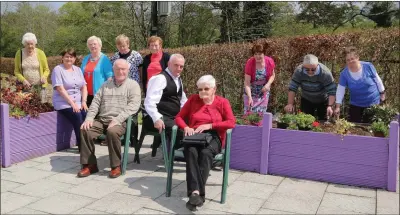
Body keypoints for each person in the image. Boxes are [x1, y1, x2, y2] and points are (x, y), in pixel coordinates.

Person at [175, 75, 235, 211]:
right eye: (200, 89)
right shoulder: (193, 100)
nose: (202, 92)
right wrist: (186, 127)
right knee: (190, 152)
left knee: (206, 153)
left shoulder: (222, 102)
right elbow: (178, 117)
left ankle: (195, 194)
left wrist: (211, 125)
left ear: (214, 89)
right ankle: (197, 194)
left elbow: (231, 122)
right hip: (194, 135)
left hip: (214, 136)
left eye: (206, 89)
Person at [78, 59, 141, 178]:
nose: (120, 71)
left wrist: (117, 119)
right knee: (85, 129)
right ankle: (90, 165)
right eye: (118, 69)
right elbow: (96, 102)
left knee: (112, 132)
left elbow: (134, 106)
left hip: (121, 121)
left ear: (128, 70)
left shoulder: (133, 85)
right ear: (113, 70)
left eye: (123, 69)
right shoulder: (105, 85)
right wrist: (89, 118)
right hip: (102, 119)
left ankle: (116, 166)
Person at [143, 53, 187, 151]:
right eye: (176, 65)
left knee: (192, 124)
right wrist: (156, 118)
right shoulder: (160, 79)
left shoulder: (178, 79)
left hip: (173, 116)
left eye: (181, 66)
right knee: (176, 128)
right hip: (157, 117)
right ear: (168, 64)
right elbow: (149, 102)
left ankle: (185, 152)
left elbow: (183, 100)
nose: (179, 68)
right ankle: (172, 156)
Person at [335, 47, 385, 123]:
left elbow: (378, 80)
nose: (350, 61)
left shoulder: (368, 66)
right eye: (348, 60)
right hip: (356, 103)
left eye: (352, 59)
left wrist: (382, 92)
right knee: (354, 127)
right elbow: (340, 90)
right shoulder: (344, 74)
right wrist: (338, 106)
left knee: (370, 127)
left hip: (372, 102)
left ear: (357, 58)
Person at [110, 34, 143, 147]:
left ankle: (134, 139)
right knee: (121, 112)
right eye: (119, 46)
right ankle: (124, 138)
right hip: (119, 88)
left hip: (133, 87)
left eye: (124, 46)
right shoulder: (114, 57)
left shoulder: (136, 55)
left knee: (133, 113)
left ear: (128, 44)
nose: (122, 48)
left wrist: (141, 85)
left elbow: (140, 71)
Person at [51, 48, 88, 152]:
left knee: (86, 114)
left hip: (78, 102)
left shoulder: (78, 69)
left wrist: (84, 102)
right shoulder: (58, 69)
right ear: (62, 58)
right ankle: (82, 147)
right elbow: (60, 88)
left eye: (71, 57)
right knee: (78, 116)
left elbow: (84, 86)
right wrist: (72, 103)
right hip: (63, 103)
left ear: (74, 58)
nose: (69, 59)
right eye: (66, 56)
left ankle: (87, 143)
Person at [284, 54, 336, 120]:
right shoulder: (299, 71)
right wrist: (290, 104)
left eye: (313, 69)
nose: (310, 72)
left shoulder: (325, 73)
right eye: (307, 69)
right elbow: (292, 88)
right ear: (303, 66)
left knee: (324, 122)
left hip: (323, 100)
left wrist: (330, 106)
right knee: (305, 122)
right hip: (306, 99)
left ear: (317, 65)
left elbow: (332, 91)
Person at [14, 32, 50, 103]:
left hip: (40, 86)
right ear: (24, 44)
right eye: (28, 44)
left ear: (35, 43)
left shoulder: (40, 53)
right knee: (26, 107)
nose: (30, 46)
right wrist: (23, 80)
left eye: (32, 44)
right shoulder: (19, 53)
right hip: (25, 87)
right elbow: (16, 71)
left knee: (41, 107)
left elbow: (47, 69)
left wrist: (44, 76)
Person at [80, 36, 113, 107]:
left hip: (100, 94)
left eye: (94, 44)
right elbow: (81, 75)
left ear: (100, 45)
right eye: (90, 44)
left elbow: (110, 77)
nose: (92, 46)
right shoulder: (85, 59)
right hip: (85, 94)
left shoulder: (104, 59)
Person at [243, 43, 276, 113]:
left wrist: (268, 84)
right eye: (255, 54)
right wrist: (249, 97)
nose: (257, 56)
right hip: (251, 90)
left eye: (260, 54)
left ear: (264, 54)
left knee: (261, 113)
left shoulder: (269, 61)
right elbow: (247, 83)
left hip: (264, 90)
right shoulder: (250, 63)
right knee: (249, 112)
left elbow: (272, 75)